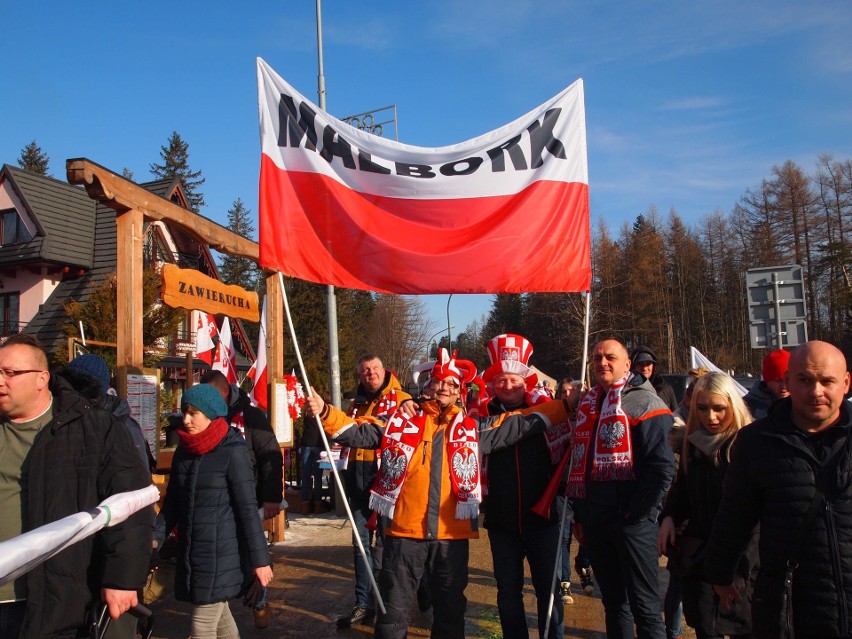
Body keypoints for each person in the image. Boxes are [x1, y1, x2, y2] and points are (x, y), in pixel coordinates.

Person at [304, 348, 571, 639]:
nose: (443, 388)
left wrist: (564, 407)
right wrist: (326, 412)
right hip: (403, 535)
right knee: (393, 614)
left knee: (450, 612)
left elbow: (518, 422)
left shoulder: (472, 429)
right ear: (427, 386)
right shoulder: (400, 421)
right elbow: (360, 432)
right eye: (437, 382)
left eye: (451, 385)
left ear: (460, 393)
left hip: (450, 537)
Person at [0, 334, 152, 638]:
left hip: (52, 598)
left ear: (41, 378)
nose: (1, 381)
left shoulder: (93, 427)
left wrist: (121, 580)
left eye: (10, 373)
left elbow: (131, 505)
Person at [704, 341, 852, 638]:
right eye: (805, 380)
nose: (816, 391)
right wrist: (721, 573)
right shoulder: (757, 442)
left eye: (827, 381)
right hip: (790, 610)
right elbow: (734, 515)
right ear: (788, 382)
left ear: (846, 383)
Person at [567, 338, 675, 639]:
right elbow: (581, 464)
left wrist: (639, 514)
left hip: (633, 523)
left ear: (627, 364)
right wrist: (580, 513)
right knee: (614, 603)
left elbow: (663, 466)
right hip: (597, 521)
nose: (602, 362)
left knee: (646, 607)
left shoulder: (646, 403)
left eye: (610, 357)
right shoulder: (588, 405)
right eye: (597, 357)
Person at [155, 384, 273, 638]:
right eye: (184, 412)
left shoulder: (233, 451)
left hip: (223, 554)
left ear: (210, 414)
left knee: (202, 625)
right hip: (192, 552)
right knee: (220, 622)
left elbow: (247, 509)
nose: (185, 420)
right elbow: (174, 502)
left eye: (192, 413)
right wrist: (155, 536)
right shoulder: (184, 451)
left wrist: (260, 560)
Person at [477, 334, 567, 639]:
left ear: (525, 380)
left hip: (543, 521)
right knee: (508, 593)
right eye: (501, 380)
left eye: (513, 379)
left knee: (548, 592)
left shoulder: (550, 411)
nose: (508, 386)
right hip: (501, 522)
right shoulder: (480, 416)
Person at [658, 372, 756, 639]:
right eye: (702, 408)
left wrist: (740, 567)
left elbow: (757, 517)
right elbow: (682, 493)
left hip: (740, 562)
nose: (710, 417)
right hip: (700, 561)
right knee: (705, 628)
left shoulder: (748, 448)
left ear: (732, 406)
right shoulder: (693, 445)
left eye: (719, 408)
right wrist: (668, 517)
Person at [335, 355, 413, 629]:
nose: (371, 374)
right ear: (359, 375)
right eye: (365, 370)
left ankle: (388, 603)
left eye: (375, 369)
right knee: (359, 544)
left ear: (384, 370)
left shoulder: (402, 399)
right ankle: (363, 603)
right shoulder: (355, 403)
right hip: (357, 480)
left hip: (388, 482)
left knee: (386, 546)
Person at [201, 369, 283, 628]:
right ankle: (210, 615)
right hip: (214, 500)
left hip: (247, 496)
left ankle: (259, 600)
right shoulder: (201, 416)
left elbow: (270, 454)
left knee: (249, 554)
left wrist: (271, 497)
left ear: (225, 392)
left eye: (212, 395)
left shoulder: (250, 415)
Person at [554, 378, 595, 603]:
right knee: (563, 536)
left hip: (585, 487)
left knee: (588, 534)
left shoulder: (589, 416)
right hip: (562, 489)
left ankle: (584, 564)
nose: (568, 394)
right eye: (564, 391)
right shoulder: (555, 419)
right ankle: (564, 581)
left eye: (573, 391)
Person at [742, 348, 790, 420]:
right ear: (767, 380)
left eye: (788, 380)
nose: (784, 386)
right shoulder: (746, 408)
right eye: (778, 381)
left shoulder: (804, 404)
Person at [630, 345, 679, 411]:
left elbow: (675, 415)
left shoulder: (665, 389)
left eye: (648, 364)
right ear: (633, 366)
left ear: (654, 366)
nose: (644, 368)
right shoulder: (626, 391)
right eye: (640, 364)